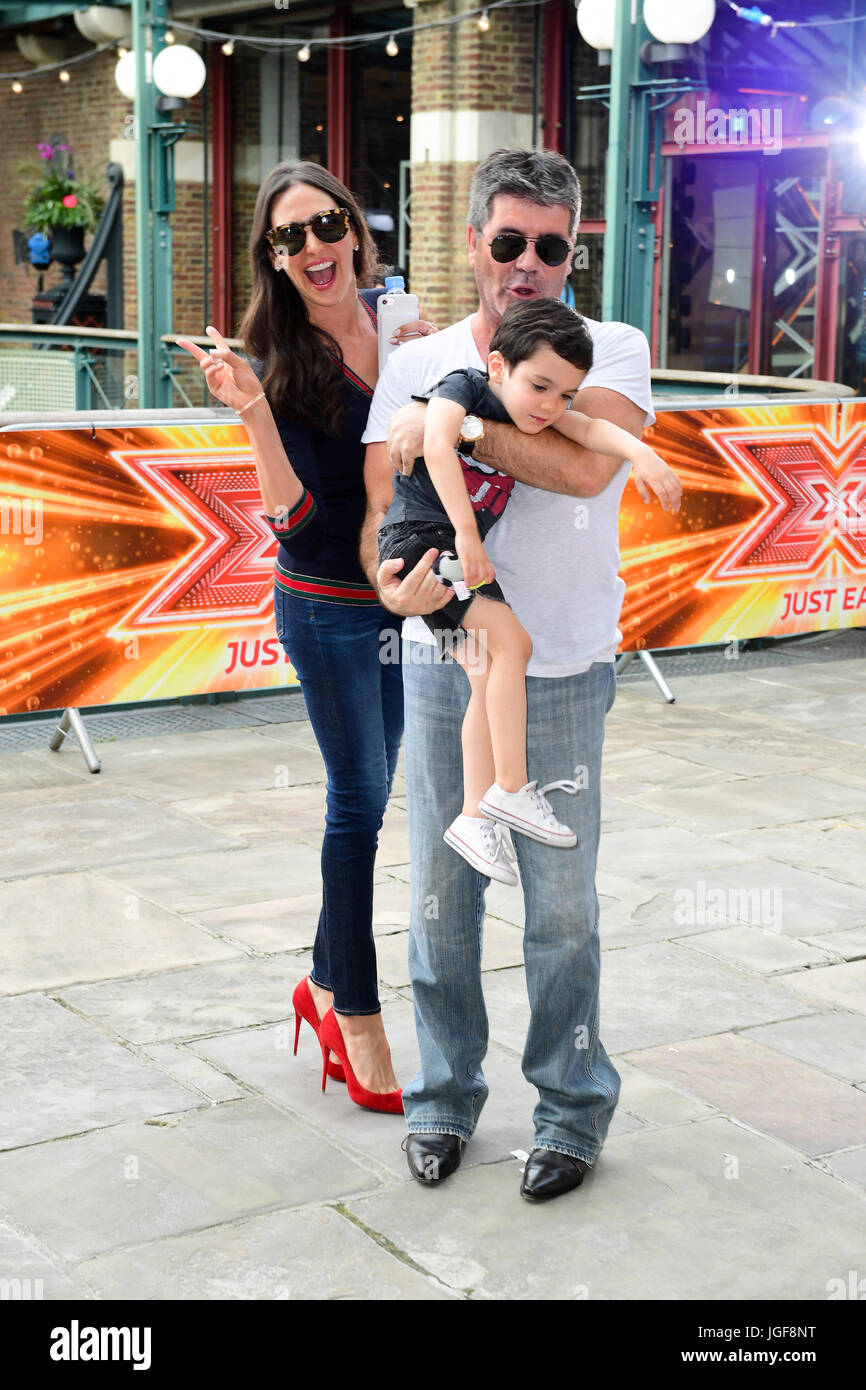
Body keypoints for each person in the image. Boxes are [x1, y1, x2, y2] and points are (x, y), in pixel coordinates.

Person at [361, 146, 675, 1199]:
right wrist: (393, 585)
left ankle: (571, 1111)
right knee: (442, 898)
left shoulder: (608, 345)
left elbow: (582, 464)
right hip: (441, 652)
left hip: (569, 666)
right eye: (507, 242)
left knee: (561, 909)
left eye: (548, 244)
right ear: (474, 245)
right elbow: (380, 517)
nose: (527, 263)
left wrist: (453, 427)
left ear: (573, 246)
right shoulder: (418, 358)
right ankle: (444, 1100)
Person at [177, 160, 442, 1115]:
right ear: (273, 259)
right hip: (326, 599)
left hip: (403, 594)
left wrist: (431, 367)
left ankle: (320, 984)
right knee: (359, 799)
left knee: (383, 783)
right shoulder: (270, 352)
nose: (313, 248)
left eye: (325, 225)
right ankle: (356, 1013)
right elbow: (291, 518)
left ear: (355, 228)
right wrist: (252, 411)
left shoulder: (401, 318)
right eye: (289, 238)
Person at [376, 297, 681, 880]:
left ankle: (474, 815)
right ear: (498, 367)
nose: (550, 407)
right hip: (424, 541)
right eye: (541, 387)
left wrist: (643, 453)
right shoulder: (464, 384)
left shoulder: (531, 403)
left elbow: (590, 429)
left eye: (564, 394)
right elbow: (438, 444)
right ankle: (509, 790)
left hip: (445, 546)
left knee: (490, 671)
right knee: (512, 646)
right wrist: (468, 537)